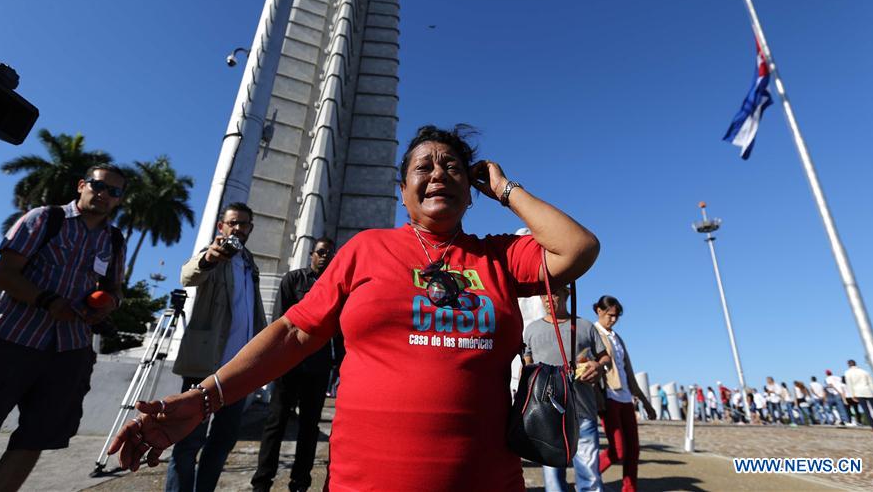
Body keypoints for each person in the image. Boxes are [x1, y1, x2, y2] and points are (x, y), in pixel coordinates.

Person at [108, 124, 600, 491]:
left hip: (485, 480)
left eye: (452, 166)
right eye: (422, 167)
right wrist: (203, 399)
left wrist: (504, 188)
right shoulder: (366, 249)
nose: (437, 174)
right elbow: (292, 334)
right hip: (363, 481)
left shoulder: (499, 255)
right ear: (402, 190)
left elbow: (578, 248)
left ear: (471, 193)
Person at [0, 164, 127, 491]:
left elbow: (116, 290)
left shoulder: (114, 240)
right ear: (82, 185)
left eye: (114, 192)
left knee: (35, 438)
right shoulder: (44, 219)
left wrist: (108, 304)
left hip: (69, 351)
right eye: (98, 185)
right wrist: (48, 301)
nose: (104, 194)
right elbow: (5, 274)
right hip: (11, 340)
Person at [165, 202, 267, 492]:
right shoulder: (214, 256)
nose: (238, 228)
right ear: (221, 226)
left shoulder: (250, 264)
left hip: (237, 371)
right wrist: (209, 258)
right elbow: (188, 275)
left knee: (222, 442)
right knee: (188, 443)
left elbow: (254, 314)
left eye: (243, 224)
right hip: (205, 367)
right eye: (232, 223)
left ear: (250, 229)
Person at [251, 237, 338, 492]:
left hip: (319, 367)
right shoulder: (293, 280)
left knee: (309, 428)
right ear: (311, 254)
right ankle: (262, 483)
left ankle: (300, 483)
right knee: (275, 424)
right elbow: (281, 320)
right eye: (321, 252)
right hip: (289, 366)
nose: (325, 257)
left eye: (330, 254)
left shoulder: (336, 286)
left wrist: (338, 363)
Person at [524, 284, 606, 492]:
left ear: (566, 295)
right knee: (552, 477)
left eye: (553, 294)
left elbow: (604, 356)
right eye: (543, 295)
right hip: (547, 415)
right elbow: (527, 363)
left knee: (590, 474)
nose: (547, 299)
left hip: (583, 411)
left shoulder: (585, 326)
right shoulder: (532, 330)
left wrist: (598, 365)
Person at [594, 295, 657, 492]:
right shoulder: (592, 332)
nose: (613, 320)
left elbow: (628, 372)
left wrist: (646, 403)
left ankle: (629, 489)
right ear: (599, 311)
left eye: (616, 316)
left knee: (633, 450)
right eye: (610, 315)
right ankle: (587, 476)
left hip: (625, 397)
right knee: (618, 449)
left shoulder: (617, 337)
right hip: (608, 397)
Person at [843, 360, 873, 432]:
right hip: (869, 391)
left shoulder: (847, 373)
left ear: (848, 365)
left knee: (866, 410)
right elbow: (871, 383)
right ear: (856, 363)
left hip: (858, 393)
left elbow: (850, 385)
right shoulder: (864, 371)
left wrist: (852, 395)